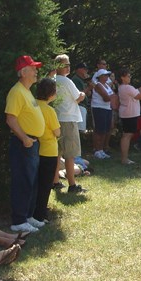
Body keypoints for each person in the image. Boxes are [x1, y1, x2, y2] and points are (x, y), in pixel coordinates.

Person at [5, 55, 46, 233]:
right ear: (23, 72)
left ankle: (27, 216)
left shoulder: (27, 91)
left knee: (32, 180)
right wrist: (24, 138)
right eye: (33, 68)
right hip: (24, 143)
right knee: (23, 180)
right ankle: (19, 220)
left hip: (31, 143)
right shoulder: (16, 92)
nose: (36, 71)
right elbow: (10, 119)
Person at [53, 55, 86, 193]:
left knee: (57, 153)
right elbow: (78, 97)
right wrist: (83, 94)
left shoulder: (51, 80)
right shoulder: (66, 81)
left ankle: (55, 181)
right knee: (70, 154)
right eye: (65, 65)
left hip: (57, 119)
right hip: (68, 119)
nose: (68, 67)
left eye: (69, 64)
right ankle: (72, 184)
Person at [33, 78, 61, 226]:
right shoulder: (49, 111)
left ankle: (33, 211)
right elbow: (57, 132)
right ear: (51, 93)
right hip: (49, 151)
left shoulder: (33, 104)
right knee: (45, 185)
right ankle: (40, 214)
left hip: (35, 149)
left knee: (35, 183)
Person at [118, 69, 141, 165]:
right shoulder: (127, 88)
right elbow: (140, 96)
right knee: (127, 135)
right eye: (128, 76)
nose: (130, 78)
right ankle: (124, 159)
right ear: (122, 77)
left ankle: (125, 158)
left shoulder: (124, 87)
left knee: (127, 135)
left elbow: (137, 91)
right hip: (129, 114)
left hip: (128, 113)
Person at [90, 68, 114, 159]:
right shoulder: (98, 85)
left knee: (105, 130)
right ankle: (97, 150)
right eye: (105, 75)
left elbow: (111, 97)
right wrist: (113, 98)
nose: (107, 76)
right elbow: (107, 98)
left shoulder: (107, 85)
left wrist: (112, 98)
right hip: (99, 108)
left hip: (107, 108)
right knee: (99, 130)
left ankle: (101, 150)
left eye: (107, 75)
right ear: (99, 77)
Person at [70, 63, 92, 133]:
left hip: (83, 106)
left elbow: (88, 93)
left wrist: (88, 83)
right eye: (84, 69)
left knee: (82, 129)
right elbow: (78, 94)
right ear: (79, 69)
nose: (86, 71)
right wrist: (89, 88)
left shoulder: (82, 80)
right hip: (79, 106)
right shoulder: (76, 79)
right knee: (79, 130)